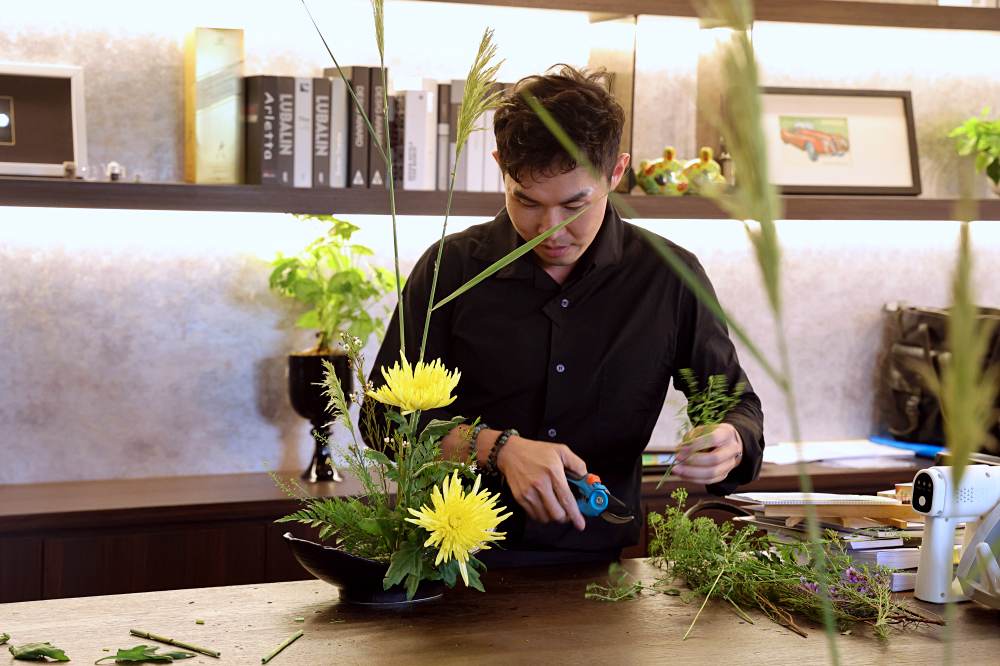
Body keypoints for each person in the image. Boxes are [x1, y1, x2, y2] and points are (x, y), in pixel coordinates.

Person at [364, 65, 764, 565]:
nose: (549, 230)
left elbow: (732, 404)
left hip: (599, 573)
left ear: (616, 173)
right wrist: (497, 448)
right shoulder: (449, 269)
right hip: (446, 565)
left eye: (575, 205)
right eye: (525, 201)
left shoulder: (670, 276)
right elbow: (382, 420)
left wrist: (728, 439)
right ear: (500, 167)